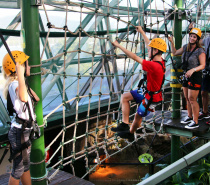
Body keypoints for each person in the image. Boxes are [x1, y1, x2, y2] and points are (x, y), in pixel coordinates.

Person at [111, 26, 166, 140]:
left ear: (156, 51)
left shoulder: (153, 66)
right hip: (148, 92)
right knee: (125, 97)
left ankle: (130, 134)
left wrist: (118, 45)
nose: (148, 50)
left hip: (151, 98)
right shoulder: (160, 60)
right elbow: (149, 44)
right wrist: (141, 32)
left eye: (151, 49)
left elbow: (135, 57)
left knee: (137, 116)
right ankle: (125, 124)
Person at [2, 51, 39, 185]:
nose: (29, 68)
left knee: (25, 165)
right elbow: (23, 97)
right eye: (26, 65)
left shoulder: (20, 84)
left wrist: (23, 77)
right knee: (17, 170)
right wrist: (21, 76)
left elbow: (36, 98)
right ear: (18, 68)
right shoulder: (15, 85)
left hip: (24, 131)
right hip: (19, 132)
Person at [168, 28, 205, 129]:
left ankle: (195, 121)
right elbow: (174, 53)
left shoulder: (200, 51)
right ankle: (189, 116)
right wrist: (171, 42)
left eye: (194, 37)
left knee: (192, 99)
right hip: (186, 75)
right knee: (187, 98)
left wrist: (193, 70)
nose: (192, 38)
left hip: (195, 76)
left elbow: (202, 65)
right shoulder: (185, 47)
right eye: (191, 36)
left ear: (197, 39)